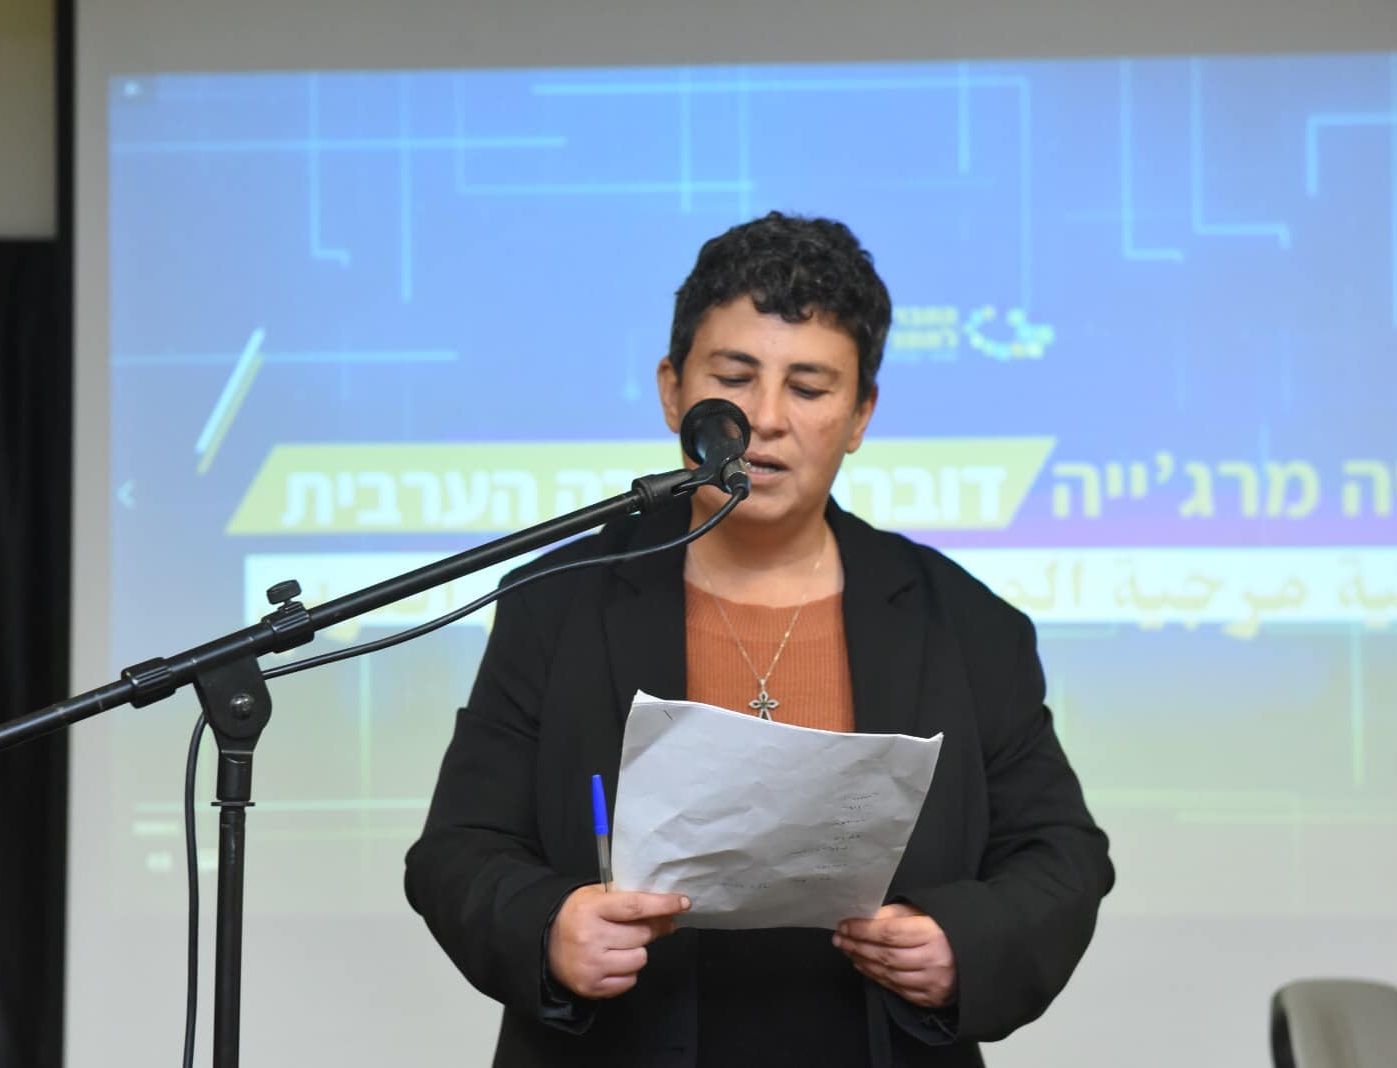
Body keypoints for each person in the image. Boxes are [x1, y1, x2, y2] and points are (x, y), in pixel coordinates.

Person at [405, 212, 1114, 1067]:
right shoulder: (558, 601)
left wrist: (963, 942)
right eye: (734, 377)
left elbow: (1061, 855)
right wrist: (548, 927)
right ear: (673, 390)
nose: (765, 418)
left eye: (809, 388)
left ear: (860, 414)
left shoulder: (964, 621)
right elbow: (459, 849)